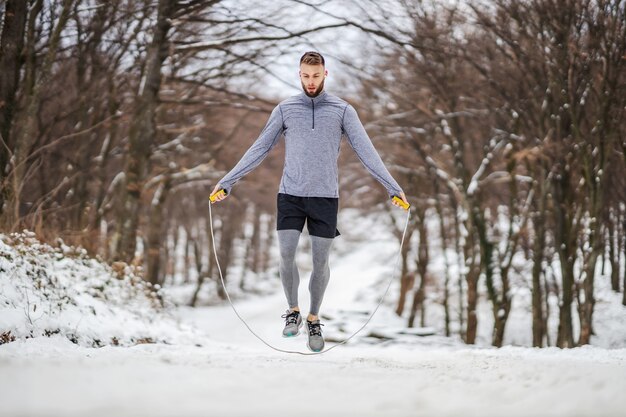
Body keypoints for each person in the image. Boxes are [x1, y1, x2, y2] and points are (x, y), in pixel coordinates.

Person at [211, 51, 408, 352]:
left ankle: (314, 318)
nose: (311, 81)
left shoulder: (343, 111)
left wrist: (392, 187)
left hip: (325, 197)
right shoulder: (285, 109)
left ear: (325, 74)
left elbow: (367, 152)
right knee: (286, 254)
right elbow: (259, 148)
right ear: (299, 74)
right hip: (290, 194)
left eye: (316, 76)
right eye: (305, 75)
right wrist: (228, 181)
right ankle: (293, 312)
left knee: (320, 261)